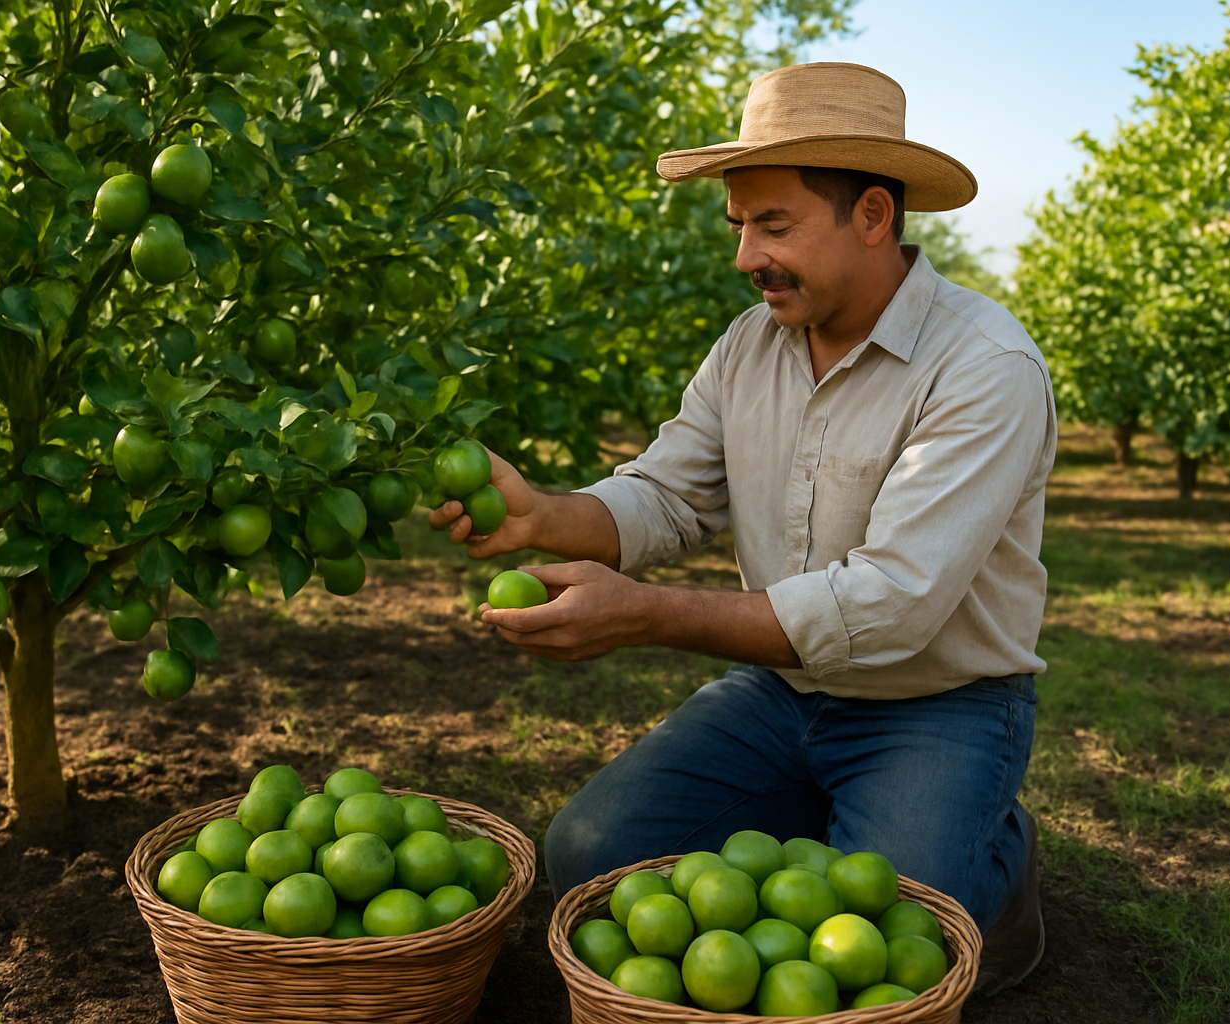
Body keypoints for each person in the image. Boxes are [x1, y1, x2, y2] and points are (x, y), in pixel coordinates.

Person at [429, 61, 1054, 995]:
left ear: (873, 216)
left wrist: (644, 615)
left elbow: (889, 607)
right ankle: (845, 807)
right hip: (782, 691)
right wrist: (546, 518)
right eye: (738, 227)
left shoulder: (984, 367)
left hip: (939, 703)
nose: (745, 257)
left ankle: (995, 858)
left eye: (774, 226)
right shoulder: (749, 344)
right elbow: (672, 494)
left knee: (904, 936)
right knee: (593, 854)